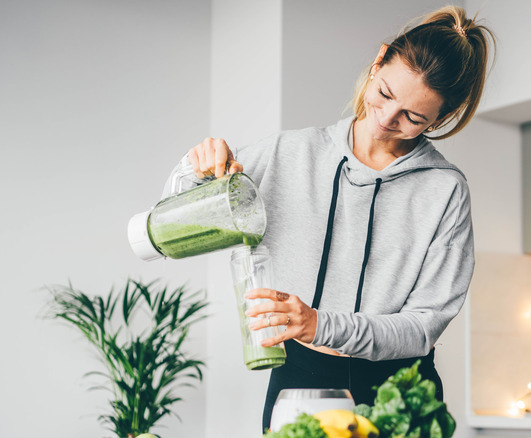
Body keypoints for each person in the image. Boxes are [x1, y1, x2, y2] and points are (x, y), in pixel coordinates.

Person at [169, 5, 495, 431]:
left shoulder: (444, 190)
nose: (385, 119)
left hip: (400, 389)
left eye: (413, 118)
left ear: (442, 118)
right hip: (300, 380)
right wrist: (196, 167)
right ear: (379, 61)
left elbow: (422, 327)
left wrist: (319, 324)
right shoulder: (288, 154)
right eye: (384, 93)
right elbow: (174, 225)